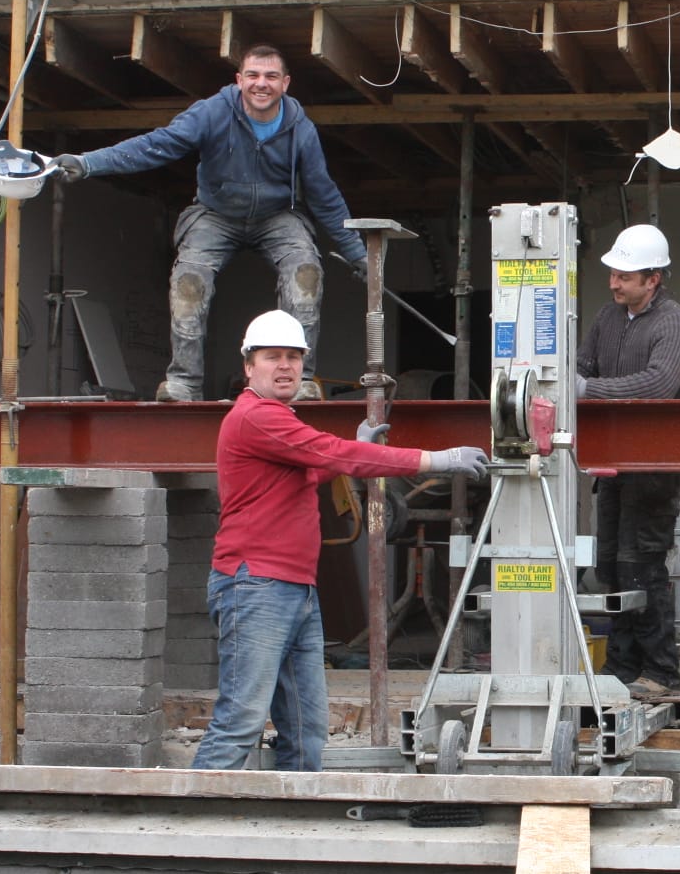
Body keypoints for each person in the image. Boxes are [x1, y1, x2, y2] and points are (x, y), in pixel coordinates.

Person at [193, 309, 489, 772]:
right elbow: (332, 453)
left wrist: (352, 447)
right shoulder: (256, 416)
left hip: (293, 589)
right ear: (249, 366)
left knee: (307, 728)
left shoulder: (276, 422)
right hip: (255, 586)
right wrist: (438, 459)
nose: (286, 366)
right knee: (241, 721)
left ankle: (293, 818)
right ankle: (197, 830)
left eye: (294, 356)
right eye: (273, 357)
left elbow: (312, 466)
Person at [54, 44, 364, 402]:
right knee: (190, 281)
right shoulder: (213, 113)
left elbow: (324, 195)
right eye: (253, 75)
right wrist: (90, 163)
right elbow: (157, 145)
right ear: (239, 80)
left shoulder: (301, 130)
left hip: (277, 215)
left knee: (305, 273)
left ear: (286, 83)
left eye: (271, 76)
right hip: (216, 213)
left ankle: (301, 382)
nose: (261, 84)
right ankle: (183, 383)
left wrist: (359, 254)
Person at [577, 223, 680, 695]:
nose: (613, 282)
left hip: (653, 465)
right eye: (613, 272)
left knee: (641, 565)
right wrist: (568, 379)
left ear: (653, 279)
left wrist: (587, 390)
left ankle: (661, 671)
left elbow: (658, 385)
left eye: (625, 275)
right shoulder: (609, 318)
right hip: (612, 461)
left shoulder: (674, 323)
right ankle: (623, 668)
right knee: (608, 565)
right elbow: (580, 365)